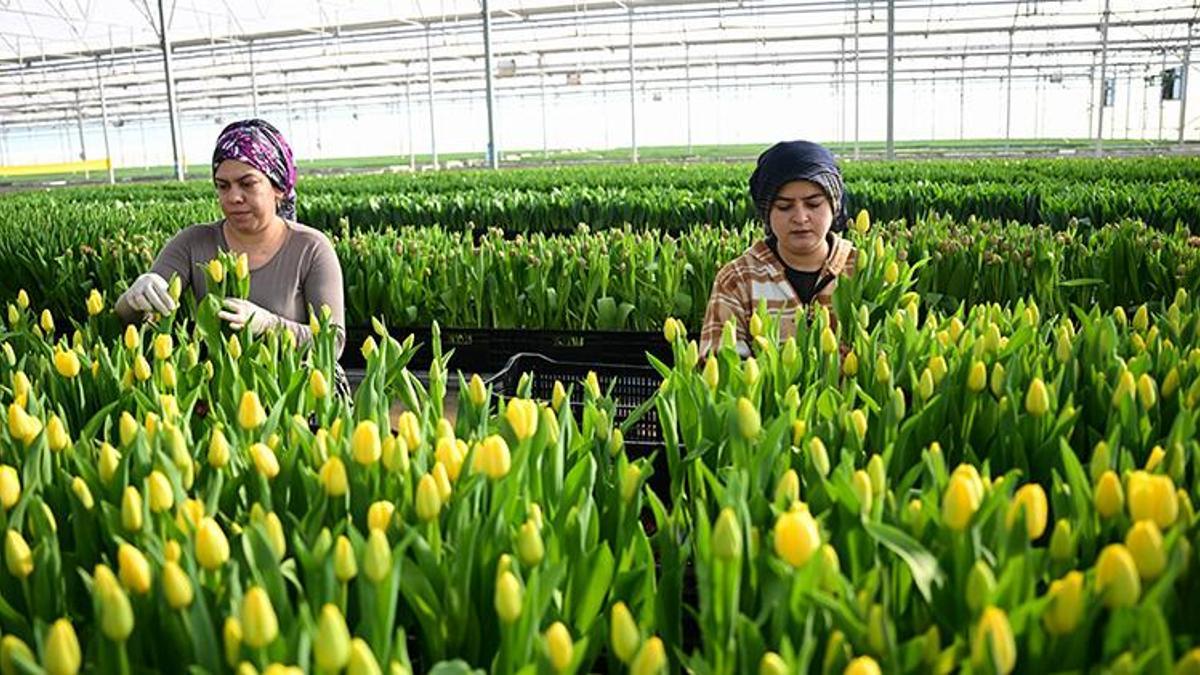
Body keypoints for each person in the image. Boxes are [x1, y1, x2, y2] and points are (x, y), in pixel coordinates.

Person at [116, 119, 346, 362]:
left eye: (247, 184)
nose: (234, 197)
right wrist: (133, 298)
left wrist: (270, 325)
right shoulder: (193, 243)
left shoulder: (310, 248)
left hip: (296, 391)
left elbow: (334, 344)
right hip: (218, 389)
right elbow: (126, 319)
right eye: (223, 186)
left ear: (278, 188)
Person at [699, 140, 857, 356]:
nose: (801, 218)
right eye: (784, 207)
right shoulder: (738, 279)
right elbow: (720, 366)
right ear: (766, 213)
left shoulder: (860, 270)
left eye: (813, 204)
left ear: (834, 205)